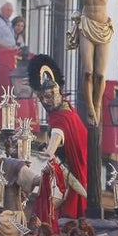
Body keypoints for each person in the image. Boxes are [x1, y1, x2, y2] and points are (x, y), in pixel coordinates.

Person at [29, 55, 88, 226]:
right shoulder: (68, 108)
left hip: (68, 171)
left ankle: (38, 224)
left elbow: (57, 136)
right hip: (70, 165)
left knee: (46, 198)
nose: (46, 102)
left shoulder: (61, 117)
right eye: (42, 99)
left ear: (57, 93)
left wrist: (48, 152)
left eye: (48, 97)